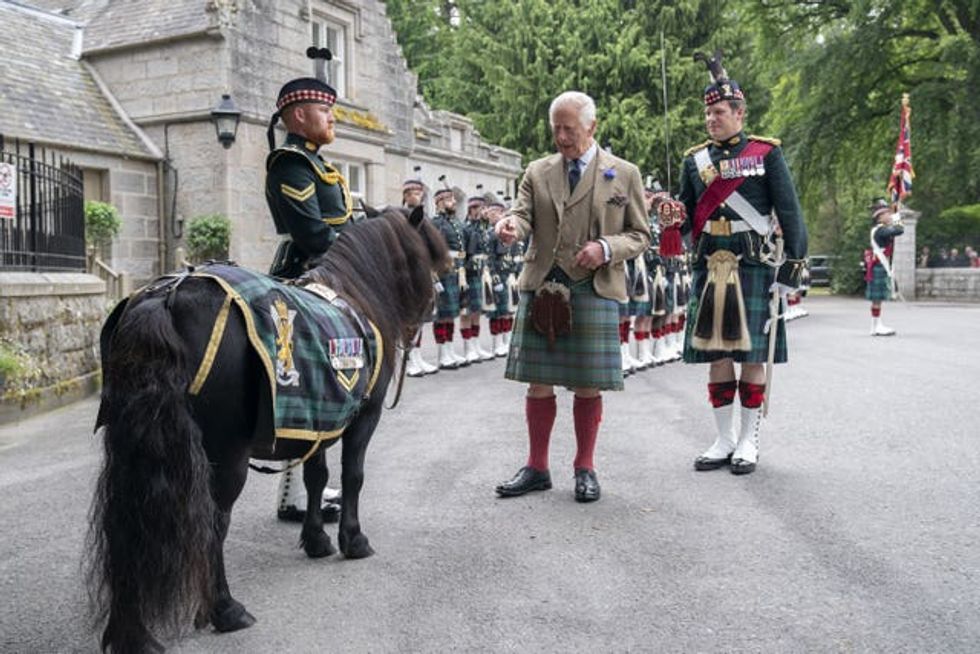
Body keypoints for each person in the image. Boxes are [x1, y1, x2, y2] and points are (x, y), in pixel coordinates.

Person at [494, 90, 649, 502]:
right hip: (543, 283)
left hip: (593, 287)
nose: (561, 137)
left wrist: (606, 248)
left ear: (591, 127)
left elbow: (640, 235)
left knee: (587, 385)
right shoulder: (537, 170)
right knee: (538, 382)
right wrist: (510, 225)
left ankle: (585, 467)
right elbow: (522, 214)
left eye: (570, 128)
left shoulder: (624, 173)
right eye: (556, 128)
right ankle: (537, 467)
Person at [677, 51, 807, 476]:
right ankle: (723, 439)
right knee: (717, 356)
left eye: (718, 112)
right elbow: (686, 213)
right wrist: (672, 221)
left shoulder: (766, 154)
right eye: (708, 112)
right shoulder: (693, 161)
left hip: (752, 267)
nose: (711, 119)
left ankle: (749, 441)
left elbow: (790, 213)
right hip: (710, 267)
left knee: (751, 356)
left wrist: (791, 270)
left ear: (739, 113)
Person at [263, 55, 347, 521]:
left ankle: (305, 491)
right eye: (323, 110)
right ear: (298, 116)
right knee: (307, 385)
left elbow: (347, 221)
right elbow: (315, 236)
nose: (331, 117)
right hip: (305, 277)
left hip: (331, 275)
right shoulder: (290, 163)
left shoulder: (317, 163)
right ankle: (295, 497)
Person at [402, 179, 439, 377]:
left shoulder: (426, 220)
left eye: (419, 192)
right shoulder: (401, 218)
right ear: (406, 195)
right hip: (407, 273)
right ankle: (407, 360)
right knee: (409, 319)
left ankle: (417, 356)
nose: (416, 195)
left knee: (421, 319)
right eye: (412, 192)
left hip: (422, 272)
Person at [430, 186, 470, 369]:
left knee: (452, 313)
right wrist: (434, 277)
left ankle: (450, 349)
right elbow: (432, 251)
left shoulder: (455, 222)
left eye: (453, 199)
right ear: (439, 203)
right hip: (444, 271)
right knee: (443, 315)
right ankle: (442, 353)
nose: (454, 202)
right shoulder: (436, 223)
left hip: (457, 272)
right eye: (449, 200)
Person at [865, 198, 904, 336]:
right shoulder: (881, 230)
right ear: (880, 216)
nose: (889, 216)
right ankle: (876, 326)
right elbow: (899, 230)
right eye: (887, 213)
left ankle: (875, 325)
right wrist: (897, 214)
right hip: (879, 266)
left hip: (879, 265)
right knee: (877, 299)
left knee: (878, 300)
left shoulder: (879, 230)